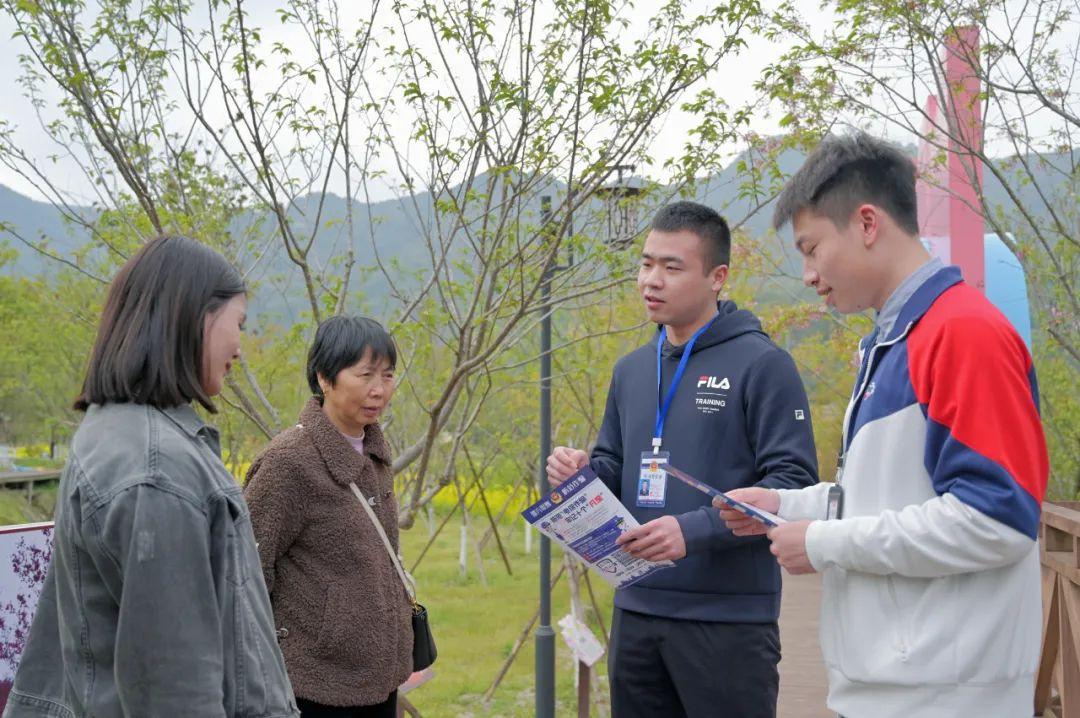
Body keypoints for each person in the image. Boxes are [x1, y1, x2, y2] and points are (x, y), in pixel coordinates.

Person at [718, 132, 1049, 717]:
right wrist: (784, 506)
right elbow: (882, 498)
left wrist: (822, 543)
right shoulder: (895, 341)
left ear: (867, 223)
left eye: (812, 247)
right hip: (892, 689)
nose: (807, 274)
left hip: (943, 697)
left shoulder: (962, 334)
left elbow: (997, 520)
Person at [4, 236, 298, 717]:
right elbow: (177, 694)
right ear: (196, 317)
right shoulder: (157, 472)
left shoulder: (122, 436)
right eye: (238, 325)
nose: (240, 349)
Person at [546, 201, 819, 718]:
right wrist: (581, 476)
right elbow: (614, 464)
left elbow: (793, 483)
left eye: (672, 267)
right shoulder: (631, 369)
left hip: (728, 621)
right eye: (646, 263)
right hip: (637, 610)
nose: (652, 279)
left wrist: (691, 531)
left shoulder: (763, 365)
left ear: (718, 277)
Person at [244, 316, 412, 718]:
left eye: (388, 376)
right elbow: (246, 573)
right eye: (365, 374)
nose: (379, 389)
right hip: (314, 684)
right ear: (324, 377)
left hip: (379, 677)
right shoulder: (289, 462)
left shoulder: (374, 452)